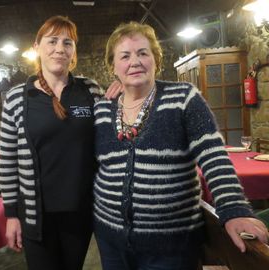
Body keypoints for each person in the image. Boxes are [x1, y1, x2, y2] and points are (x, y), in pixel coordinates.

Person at [93, 21, 268, 270]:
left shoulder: (183, 98)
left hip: (171, 245)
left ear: (156, 60)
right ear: (113, 66)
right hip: (111, 240)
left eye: (143, 53)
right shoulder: (102, 109)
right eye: (125, 56)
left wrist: (234, 208)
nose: (135, 61)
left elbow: (213, 157)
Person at [0, 15, 104, 270]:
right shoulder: (16, 98)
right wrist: (12, 215)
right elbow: (9, 163)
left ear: (74, 50)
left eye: (68, 43)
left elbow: (107, 143)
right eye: (52, 41)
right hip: (36, 216)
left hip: (81, 213)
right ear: (37, 47)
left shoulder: (91, 91)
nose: (60, 48)